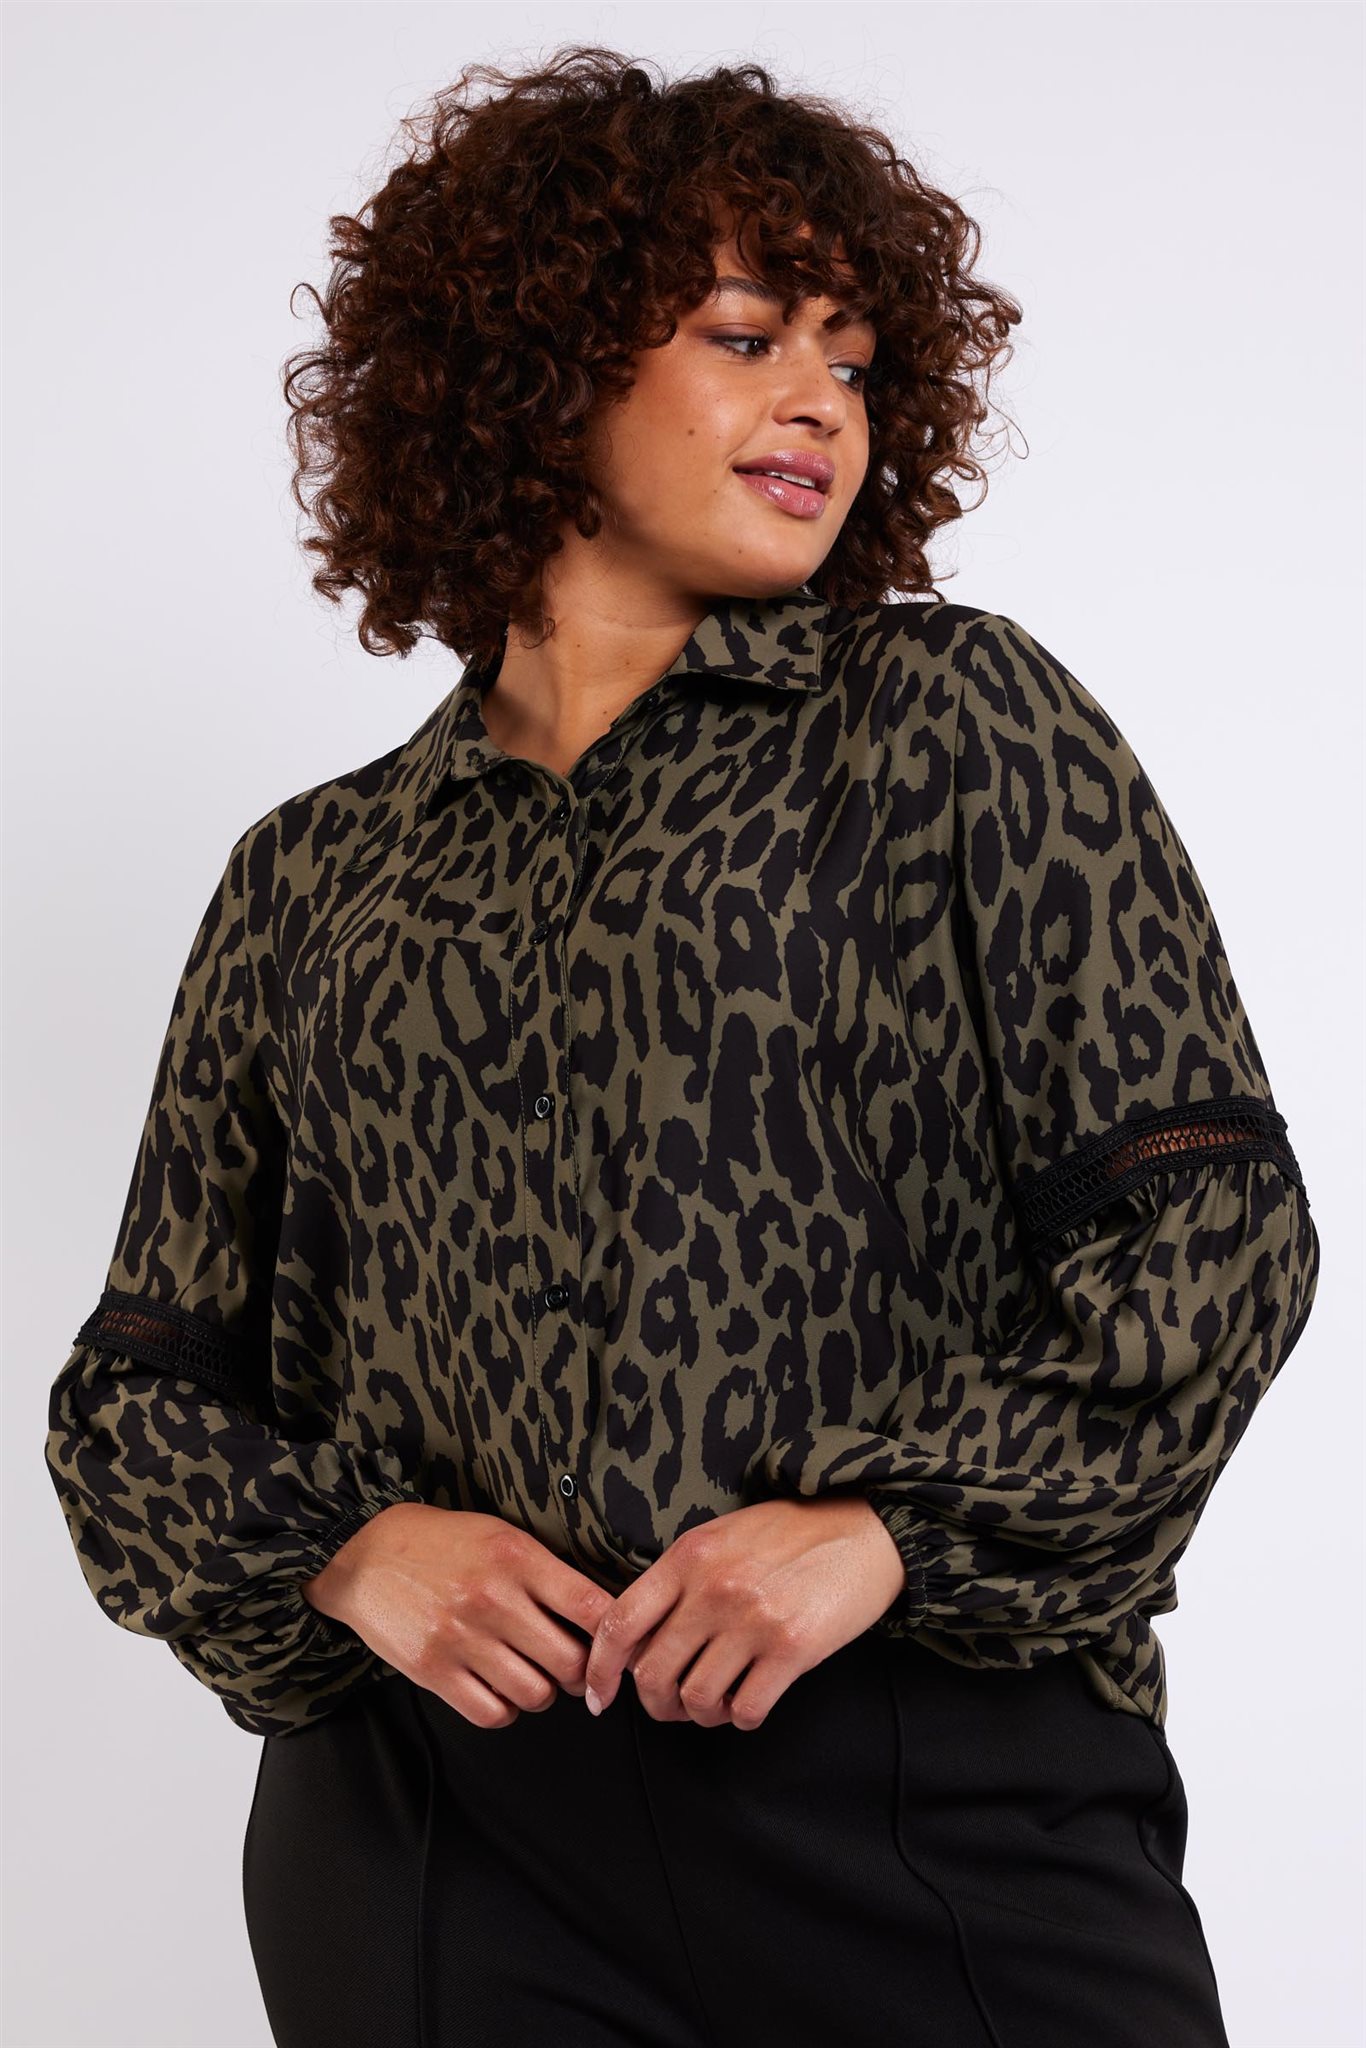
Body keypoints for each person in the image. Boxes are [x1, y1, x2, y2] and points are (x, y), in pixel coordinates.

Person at [44, 44, 1319, 2048]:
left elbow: (1208, 1233)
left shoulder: (950, 723)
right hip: (441, 1838)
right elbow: (134, 1397)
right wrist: (349, 1551)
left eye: (853, 360)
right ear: (534, 370)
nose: (819, 400)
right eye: (745, 336)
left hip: (914, 1789)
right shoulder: (309, 877)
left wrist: (888, 1533)